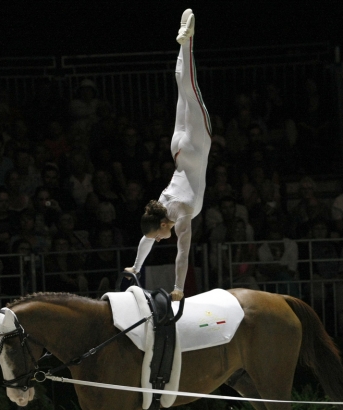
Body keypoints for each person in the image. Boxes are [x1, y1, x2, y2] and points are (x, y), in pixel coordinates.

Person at [124, 10, 211, 301]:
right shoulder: (160, 204)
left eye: (160, 236)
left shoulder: (182, 215)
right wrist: (134, 267)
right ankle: (183, 43)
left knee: (191, 89)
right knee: (183, 89)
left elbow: (183, 255)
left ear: (163, 225)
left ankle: (187, 42)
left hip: (196, 147)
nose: (161, 240)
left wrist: (178, 288)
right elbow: (146, 239)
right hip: (177, 148)